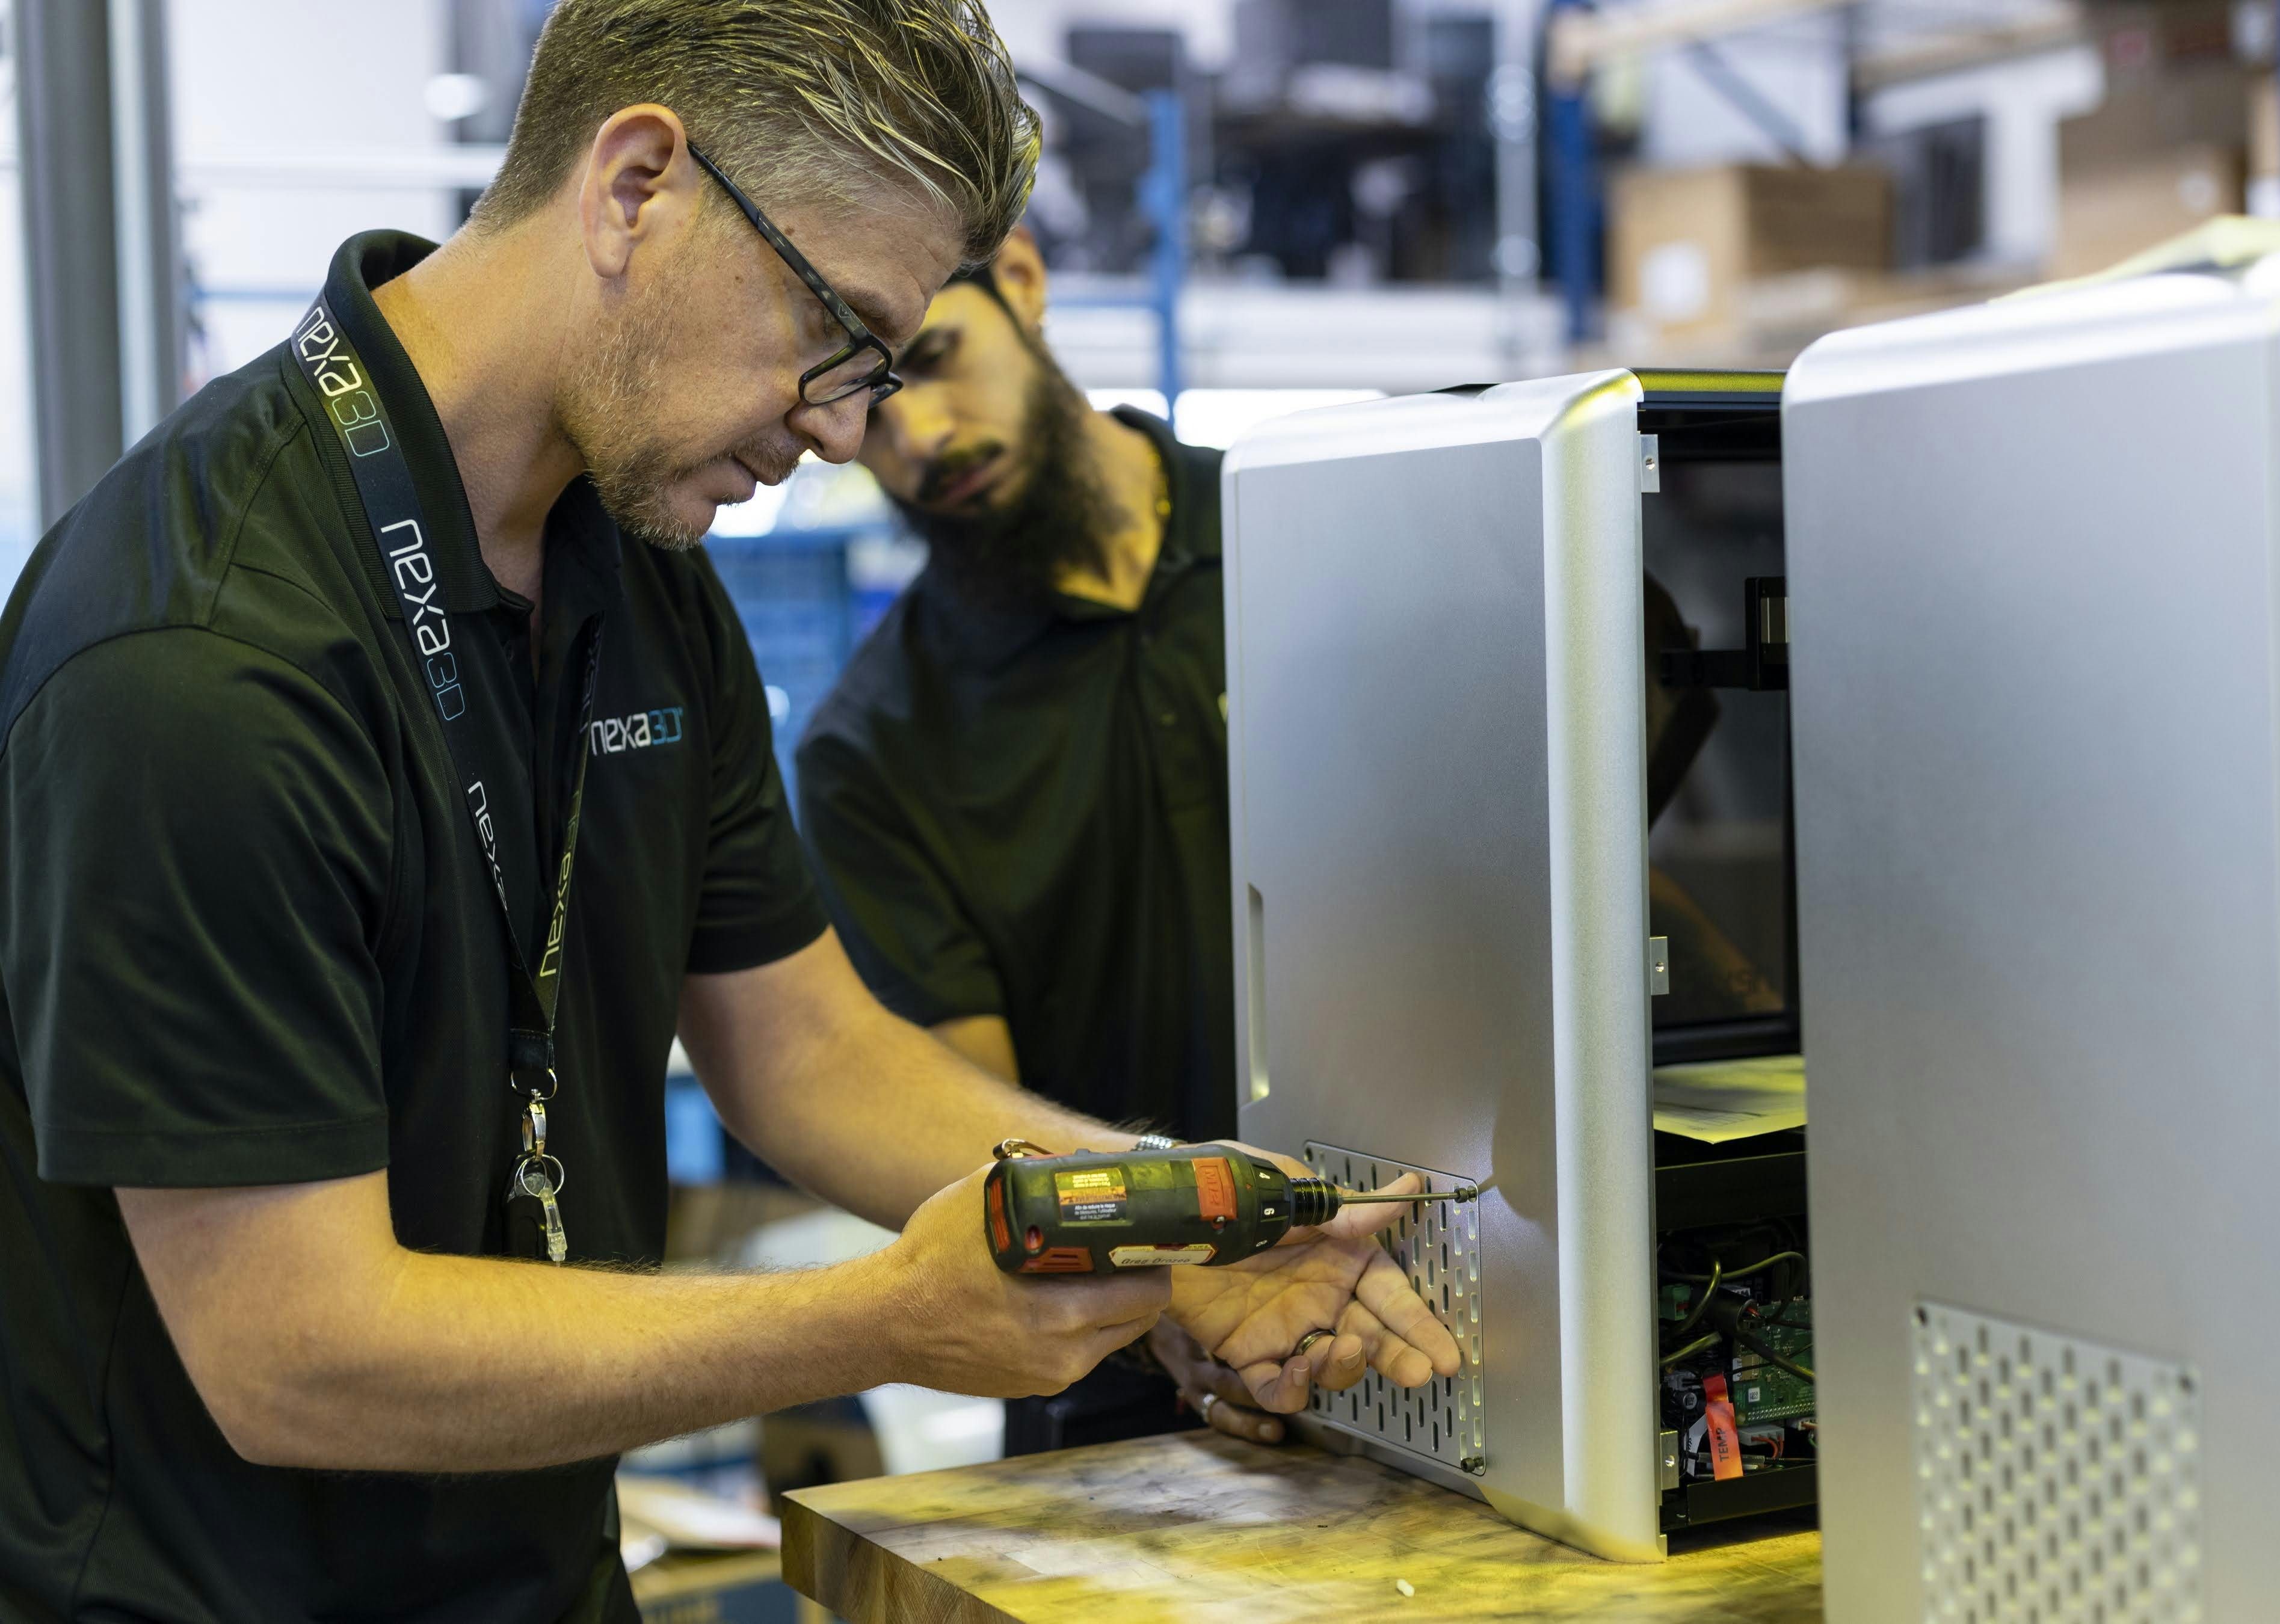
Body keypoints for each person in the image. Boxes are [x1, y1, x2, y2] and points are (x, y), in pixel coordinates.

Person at [0, 4, 1456, 1620]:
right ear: (635, 186)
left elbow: (807, 1050)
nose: (845, 425)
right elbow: (291, 1352)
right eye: (833, 330)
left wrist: (1181, 1220)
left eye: (885, 362)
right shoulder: (202, 654)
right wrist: (880, 1318)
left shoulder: (640, 566)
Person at [793, 229, 1266, 1454]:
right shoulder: (877, 748)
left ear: (1021, 280)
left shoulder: (1313, 528)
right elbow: (967, 1126)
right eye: (868, 414)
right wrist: (1182, 1285)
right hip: (1137, 1391)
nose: (921, 440)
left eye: (937, 361)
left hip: (1457, 1281)